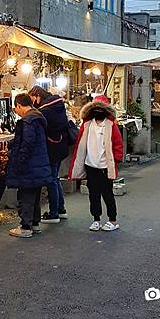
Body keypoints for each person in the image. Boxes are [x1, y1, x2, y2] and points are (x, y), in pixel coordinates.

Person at [68, 98, 123, 232]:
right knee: (93, 194)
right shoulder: (87, 124)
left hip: (105, 166)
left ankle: (113, 220)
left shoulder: (111, 125)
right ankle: (96, 219)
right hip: (90, 165)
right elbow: (80, 143)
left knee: (107, 194)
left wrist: (116, 159)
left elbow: (118, 143)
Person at [6, 94, 53, 238]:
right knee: (34, 194)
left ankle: (25, 226)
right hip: (39, 163)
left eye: (16, 108)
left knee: (26, 194)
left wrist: (19, 161)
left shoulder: (28, 121)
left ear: (19, 105)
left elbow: (27, 143)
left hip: (29, 165)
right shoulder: (38, 118)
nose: (16, 111)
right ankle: (34, 224)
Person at [28, 85, 70, 223]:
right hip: (60, 146)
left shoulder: (45, 110)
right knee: (55, 178)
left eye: (32, 98)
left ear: (37, 96)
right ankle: (61, 209)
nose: (32, 102)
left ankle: (53, 214)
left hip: (51, 148)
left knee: (51, 180)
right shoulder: (58, 105)